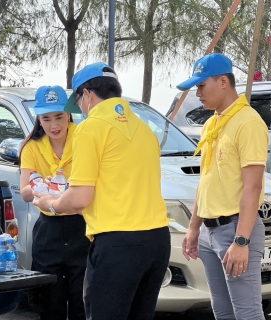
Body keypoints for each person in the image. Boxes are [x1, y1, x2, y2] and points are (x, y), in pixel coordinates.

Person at [33, 62, 171, 320]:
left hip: (118, 243)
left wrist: (51, 202)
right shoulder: (144, 129)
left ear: (86, 95)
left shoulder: (91, 127)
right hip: (158, 241)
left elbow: (80, 198)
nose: (82, 111)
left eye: (79, 103)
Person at [179, 53, 269, 320]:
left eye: (201, 86)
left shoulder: (248, 122)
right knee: (223, 313)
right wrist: (194, 228)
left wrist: (242, 241)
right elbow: (205, 181)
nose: (198, 93)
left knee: (247, 313)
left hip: (236, 230)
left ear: (222, 82)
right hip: (210, 231)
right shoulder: (213, 123)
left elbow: (252, 188)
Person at [19, 85, 89, 320]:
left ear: (69, 113)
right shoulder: (31, 147)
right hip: (49, 231)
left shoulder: (85, 137)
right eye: (46, 118)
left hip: (83, 226)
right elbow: (25, 193)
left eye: (59, 116)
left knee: (83, 302)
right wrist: (41, 186)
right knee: (50, 303)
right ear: (39, 119)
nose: (54, 125)